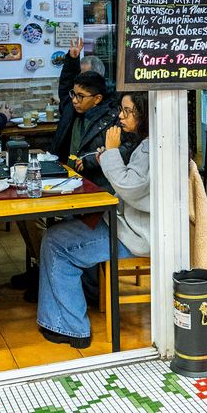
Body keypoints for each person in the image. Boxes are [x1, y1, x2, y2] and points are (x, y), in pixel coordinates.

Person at [36, 91, 151, 348]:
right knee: (59, 233)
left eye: (127, 111)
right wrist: (108, 156)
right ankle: (61, 318)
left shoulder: (150, 147)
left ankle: (73, 328)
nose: (121, 116)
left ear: (143, 114)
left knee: (56, 242)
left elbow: (130, 186)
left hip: (136, 235)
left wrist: (110, 152)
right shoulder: (148, 143)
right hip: (131, 226)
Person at [52, 35, 119, 174]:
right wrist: (71, 59)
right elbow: (65, 88)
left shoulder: (111, 116)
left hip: (92, 180)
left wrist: (91, 161)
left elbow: (120, 150)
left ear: (97, 98)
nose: (75, 100)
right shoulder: (71, 108)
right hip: (65, 175)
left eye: (81, 96)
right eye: (74, 94)